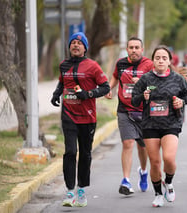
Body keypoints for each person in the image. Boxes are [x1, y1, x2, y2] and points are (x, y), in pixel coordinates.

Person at [50, 32, 110, 207]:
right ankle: (69, 191)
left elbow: (105, 88)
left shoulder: (93, 66)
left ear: (85, 48)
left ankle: (81, 189)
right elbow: (62, 82)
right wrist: (56, 94)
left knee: (85, 154)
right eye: (73, 43)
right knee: (70, 151)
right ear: (69, 47)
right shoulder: (63, 65)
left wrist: (88, 94)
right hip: (68, 114)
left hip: (88, 116)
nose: (75, 45)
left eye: (79, 43)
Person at [131, 45, 187, 207]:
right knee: (155, 162)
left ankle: (169, 183)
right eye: (157, 58)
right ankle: (158, 193)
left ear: (169, 61)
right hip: (150, 124)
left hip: (171, 123)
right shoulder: (145, 79)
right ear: (152, 60)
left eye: (164, 58)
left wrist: (181, 101)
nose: (160, 60)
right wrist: (143, 96)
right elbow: (134, 100)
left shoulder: (177, 79)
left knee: (169, 159)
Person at [105, 37, 153, 195]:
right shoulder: (120, 63)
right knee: (128, 143)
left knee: (142, 146)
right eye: (131, 47)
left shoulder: (149, 65)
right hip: (125, 110)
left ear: (142, 49)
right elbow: (115, 77)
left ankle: (144, 171)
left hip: (144, 111)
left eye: (137, 47)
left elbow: (156, 85)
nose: (134, 50)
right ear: (127, 49)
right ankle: (126, 180)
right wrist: (109, 88)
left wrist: (143, 82)